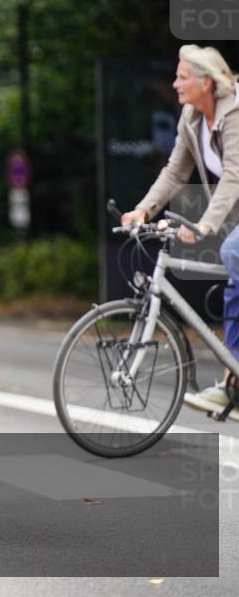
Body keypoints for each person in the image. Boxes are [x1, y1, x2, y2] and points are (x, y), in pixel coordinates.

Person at [121, 45, 239, 416]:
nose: (174, 84)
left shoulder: (234, 113)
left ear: (206, 82)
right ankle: (232, 384)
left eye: (182, 77)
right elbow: (175, 172)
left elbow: (234, 176)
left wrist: (206, 224)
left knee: (233, 253)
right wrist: (143, 209)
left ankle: (230, 384)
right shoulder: (191, 117)